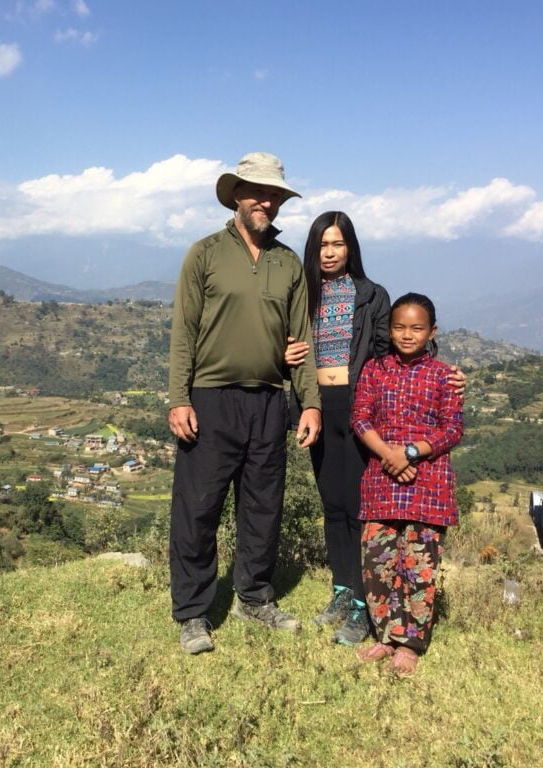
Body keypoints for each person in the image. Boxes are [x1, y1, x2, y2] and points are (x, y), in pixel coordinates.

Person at [284, 212, 465, 647]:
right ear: (313, 248)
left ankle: (366, 603)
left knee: (359, 504)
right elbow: (282, 341)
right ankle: (342, 591)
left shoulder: (371, 295)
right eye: (323, 244)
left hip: (360, 406)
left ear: (351, 248)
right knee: (332, 504)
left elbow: (394, 355)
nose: (330, 252)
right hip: (316, 404)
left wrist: (451, 378)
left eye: (338, 244)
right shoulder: (300, 293)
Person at [168, 152, 322, 655]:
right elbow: (183, 332)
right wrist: (178, 399)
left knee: (263, 508)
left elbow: (302, 342)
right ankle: (193, 611)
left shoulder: (288, 263)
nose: (267, 201)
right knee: (198, 509)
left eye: (275, 194)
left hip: (270, 402)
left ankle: (253, 596)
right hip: (210, 400)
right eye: (258, 192)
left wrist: (310, 404)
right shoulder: (206, 254)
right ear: (236, 195)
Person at [350, 292, 463, 677]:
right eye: (399, 327)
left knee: (418, 565)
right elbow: (361, 418)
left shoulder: (444, 375)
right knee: (378, 561)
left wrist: (410, 452)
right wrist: (389, 455)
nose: (407, 335)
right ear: (389, 329)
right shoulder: (374, 370)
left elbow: (453, 428)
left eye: (417, 328)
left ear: (432, 331)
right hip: (382, 478)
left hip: (427, 482)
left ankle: (411, 642)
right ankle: (385, 635)